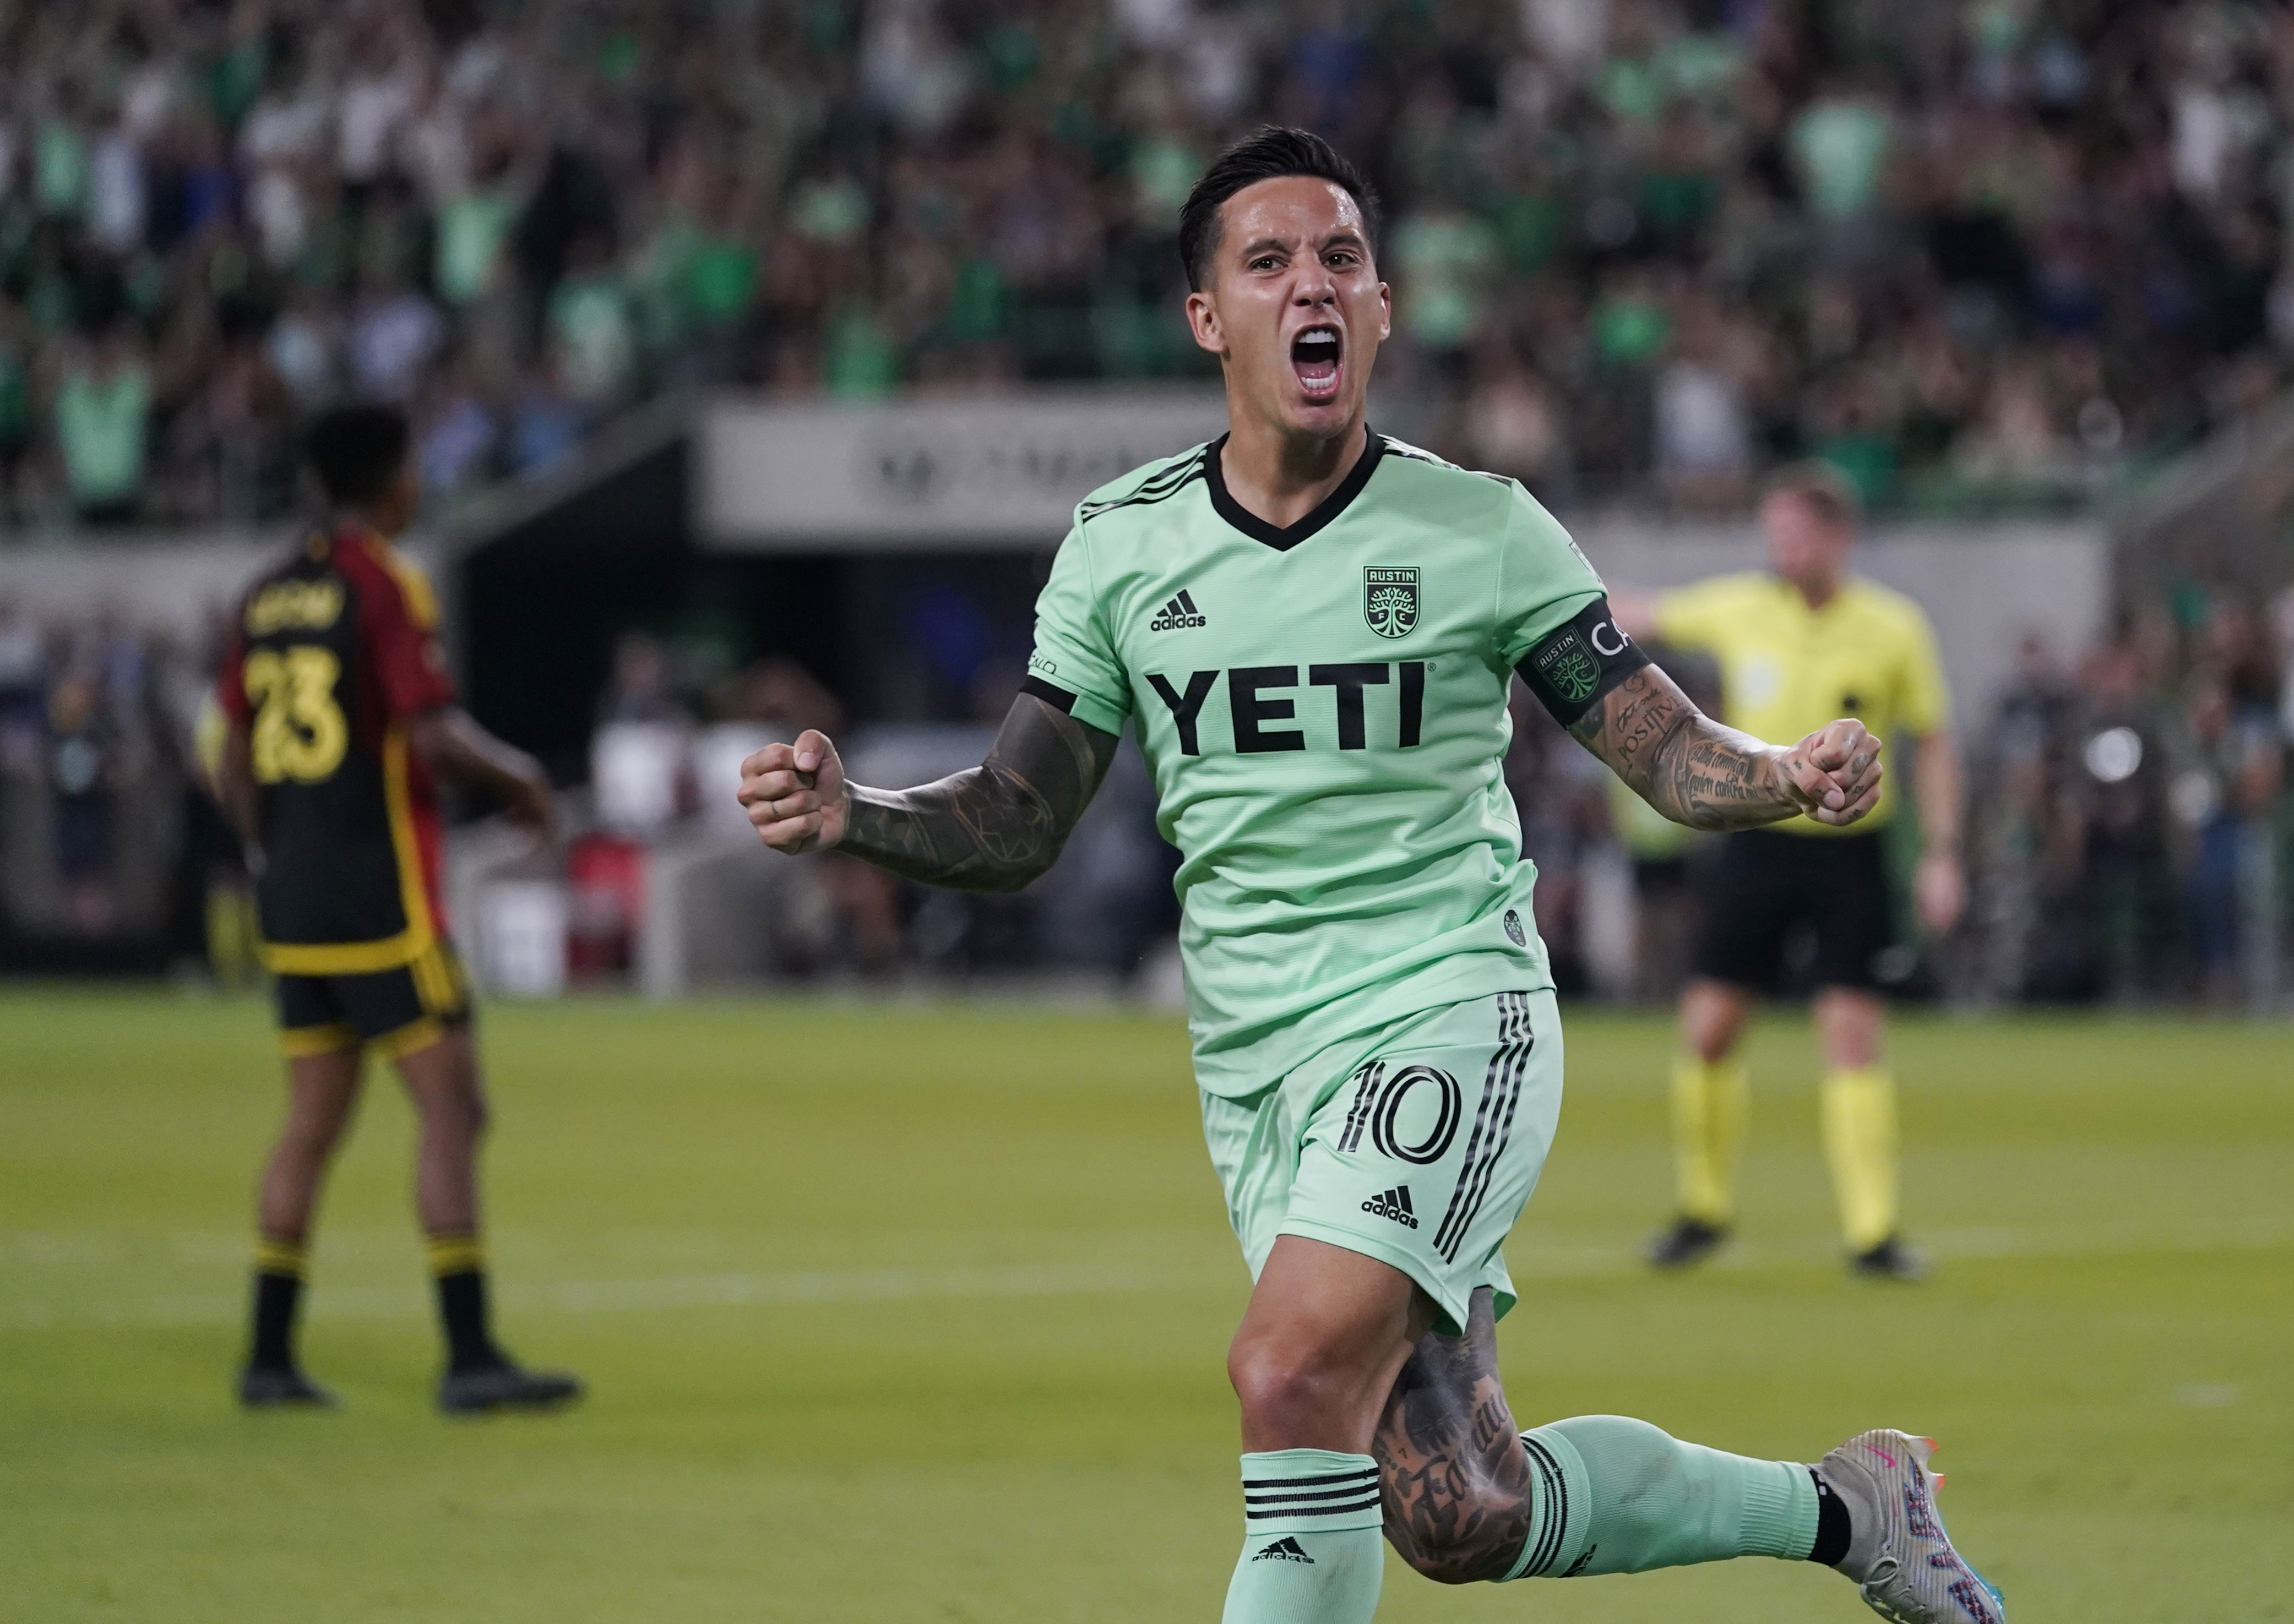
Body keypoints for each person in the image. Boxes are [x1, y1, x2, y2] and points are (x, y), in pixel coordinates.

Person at [737, 128, 2004, 1624]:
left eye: (1338, 258)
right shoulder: (1123, 547)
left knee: (1282, 1367)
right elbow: (1019, 815)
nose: (1309, 286)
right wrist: (856, 814)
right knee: (1459, 1506)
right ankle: (1850, 1503)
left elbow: (1656, 744)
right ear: (1208, 318)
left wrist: (1781, 771)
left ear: (1382, 308)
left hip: (1450, 1006)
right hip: (1260, 1058)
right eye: (1266, 263)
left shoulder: (1482, 528)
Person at [210, 404, 581, 1415]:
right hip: (384, 899)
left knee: (308, 1126)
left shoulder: (263, 593)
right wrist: (521, 780)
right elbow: (425, 730)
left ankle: (268, 1355)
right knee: (454, 1111)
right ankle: (468, 1357)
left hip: (293, 902)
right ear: (388, 479)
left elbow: (233, 751)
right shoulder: (383, 581)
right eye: (415, 465)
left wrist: (265, 848)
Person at [1610, 465, 1964, 1282]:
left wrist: (1941, 852)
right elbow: (1636, 612)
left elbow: (1934, 739)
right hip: (1756, 839)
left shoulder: (1892, 626)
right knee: (1708, 1028)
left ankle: (1872, 1233)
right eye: (1774, 534)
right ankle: (1703, 1210)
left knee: (1848, 1033)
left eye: (1796, 533)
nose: (1781, 548)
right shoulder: (1739, 606)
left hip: (1852, 849)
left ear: (1836, 537)